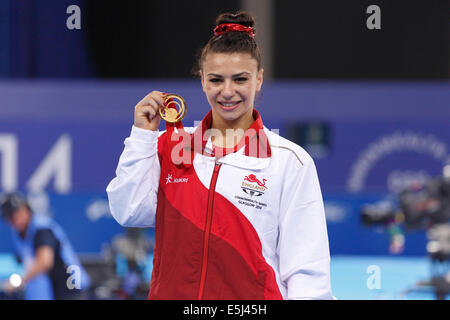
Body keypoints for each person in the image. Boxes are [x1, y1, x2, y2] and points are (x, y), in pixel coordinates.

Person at [107, 11, 333, 300]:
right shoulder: (169, 146)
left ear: (259, 80)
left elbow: (307, 272)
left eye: (240, 79)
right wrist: (142, 136)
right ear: (202, 80)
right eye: (216, 80)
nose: (227, 92)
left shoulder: (289, 161)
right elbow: (128, 210)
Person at [0, 192, 90, 300]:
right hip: (53, 291)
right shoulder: (19, 234)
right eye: (9, 217)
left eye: (16, 214)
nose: (14, 220)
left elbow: (45, 262)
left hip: (71, 288)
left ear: (25, 209)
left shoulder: (42, 229)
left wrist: (20, 280)